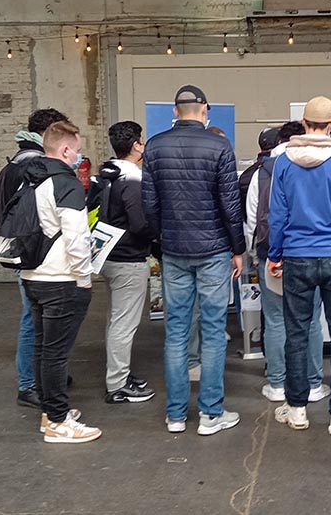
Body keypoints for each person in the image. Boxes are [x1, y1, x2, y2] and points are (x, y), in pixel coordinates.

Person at [142, 84, 245, 436]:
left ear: (175, 112)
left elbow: (150, 204)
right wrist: (238, 249)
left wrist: (161, 240)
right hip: (214, 249)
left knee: (176, 332)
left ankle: (175, 416)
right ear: (205, 110)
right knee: (214, 331)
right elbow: (231, 206)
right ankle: (210, 414)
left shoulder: (154, 146)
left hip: (174, 250)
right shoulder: (219, 145)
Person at [268, 96, 331, 436]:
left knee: (296, 334)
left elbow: (277, 216)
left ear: (304, 122)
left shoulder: (283, 163)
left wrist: (275, 254)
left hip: (296, 256)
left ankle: (296, 409)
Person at [20, 120, 100, 443]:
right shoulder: (65, 183)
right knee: (56, 353)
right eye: (78, 151)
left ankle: (50, 412)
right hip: (61, 279)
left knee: (43, 347)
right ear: (65, 149)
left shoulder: (32, 178)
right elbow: (76, 237)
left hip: (32, 275)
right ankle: (57, 421)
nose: (79, 157)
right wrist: (84, 276)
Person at [245, 121, 329, 403]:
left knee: (276, 319)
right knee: (311, 321)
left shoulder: (262, 172)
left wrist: (255, 254)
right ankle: (314, 384)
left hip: (272, 255)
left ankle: (278, 384)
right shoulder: (320, 164)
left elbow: (252, 219)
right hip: (312, 252)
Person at [1, 109, 69, 409]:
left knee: (39, 318)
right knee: (34, 319)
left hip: (28, 250)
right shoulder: (34, 164)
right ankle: (29, 383)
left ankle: (45, 376)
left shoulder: (19, 160)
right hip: (34, 252)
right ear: (47, 133)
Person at [97, 121, 156, 404]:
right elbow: (139, 223)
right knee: (124, 324)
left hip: (106, 255)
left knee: (115, 320)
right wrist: (158, 236)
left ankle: (117, 374)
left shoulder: (105, 175)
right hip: (128, 260)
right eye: (142, 141)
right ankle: (118, 385)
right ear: (135, 145)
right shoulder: (133, 180)